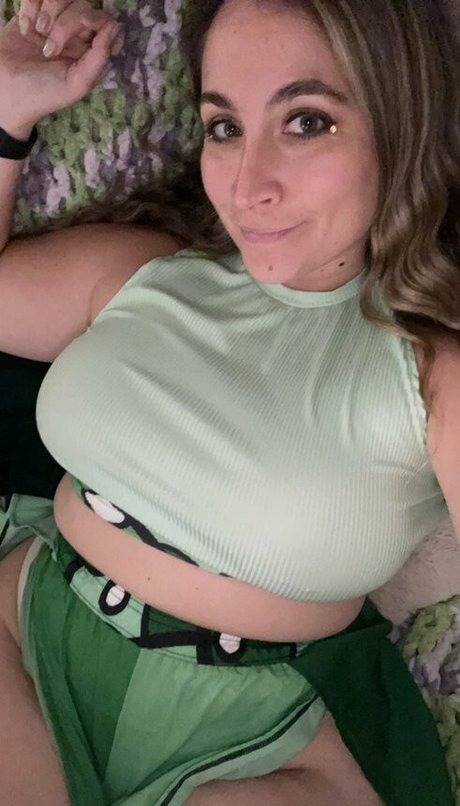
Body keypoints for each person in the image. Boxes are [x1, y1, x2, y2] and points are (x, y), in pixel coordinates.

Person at [0, 0, 458, 803]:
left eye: (307, 122)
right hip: (23, 634)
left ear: (401, 124)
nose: (249, 186)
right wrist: (7, 115)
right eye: (225, 127)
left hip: (248, 743)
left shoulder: (432, 369)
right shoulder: (144, 272)